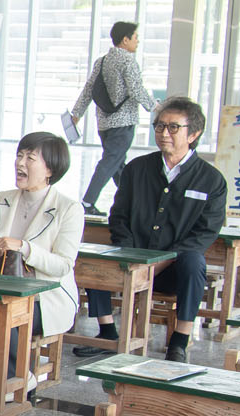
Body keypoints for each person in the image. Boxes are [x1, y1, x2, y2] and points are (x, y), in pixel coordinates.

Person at [75, 98, 227, 363]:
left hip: (174, 270)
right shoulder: (137, 169)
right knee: (97, 256)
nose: (164, 133)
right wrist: (133, 257)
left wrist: (160, 263)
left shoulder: (211, 180)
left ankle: (179, 341)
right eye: (159, 126)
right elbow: (119, 216)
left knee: (194, 262)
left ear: (194, 134)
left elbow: (204, 234)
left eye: (173, 127)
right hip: (131, 263)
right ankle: (108, 332)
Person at [0, 132, 81, 381]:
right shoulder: (5, 198)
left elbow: (63, 265)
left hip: (46, 297)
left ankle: (17, 376)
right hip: (2, 286)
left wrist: (25, 247)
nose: (20, 163)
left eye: (30, 158)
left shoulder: (69, 208)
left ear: (50, 169)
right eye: (19, 155)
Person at [72, 21, 156, 217]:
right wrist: (155, 108)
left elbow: (88, 90)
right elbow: (136, 89)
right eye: (135, 37)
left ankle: (132, 202)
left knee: (117, 165)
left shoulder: (102, 61)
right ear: (125, 40)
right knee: (110, 162)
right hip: (123, 123)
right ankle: (87, 202)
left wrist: (77, 113)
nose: (138, 41)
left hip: (104, 124)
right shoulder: (128, 61)